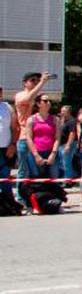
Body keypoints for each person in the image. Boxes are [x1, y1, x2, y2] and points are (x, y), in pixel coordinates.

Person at [14, 71, 52, 185]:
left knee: (37, 171)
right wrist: (42, 82)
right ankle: (21, 198)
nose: (36, 82)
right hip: (25, 138)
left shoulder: (37, 98)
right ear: (25, 83)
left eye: (37, 80)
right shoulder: (20, 95)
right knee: (24, 170)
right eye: (33, 80)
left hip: (38, 139)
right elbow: (26, 99)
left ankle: (36, 197)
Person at [0, 85, 19, 214]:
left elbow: (15, 128)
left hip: (5, 148)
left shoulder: (7, 107)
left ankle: (9, 207)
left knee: (5, 177)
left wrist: (13, 144)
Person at [57, 104, 77, 183]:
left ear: (69, 112)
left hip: (68, 144)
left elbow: (72, 133)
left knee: (66, 162)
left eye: (64, 111)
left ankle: (68, 180)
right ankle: (70, 176)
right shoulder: (63, 121)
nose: (61, 112)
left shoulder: (72, 121)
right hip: (61, 145)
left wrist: (68, 145)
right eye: (61, 111)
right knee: (62, 162)